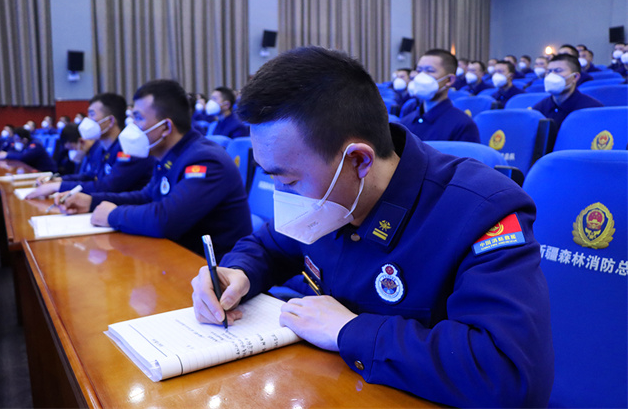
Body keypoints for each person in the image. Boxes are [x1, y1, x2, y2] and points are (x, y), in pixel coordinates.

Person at [190, 46, 554, 407]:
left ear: (359, 160)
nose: (283, 195)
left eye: (289, 181)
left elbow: (508, 373)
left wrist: (349, 331)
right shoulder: (329, 196)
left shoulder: (481, 209)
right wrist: (237, 272)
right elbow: (268, 245)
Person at [57, 80, 253, 259]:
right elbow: (146, 197)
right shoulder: (170, 155)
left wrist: (112, 215)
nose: (132, 126)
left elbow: (166, 220)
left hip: (215, 273)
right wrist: (91, 201)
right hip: (180, 258)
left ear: (165, 127)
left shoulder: (205, 161)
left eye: (138, 118)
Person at [26, 93, 155, 198]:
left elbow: (108, 186)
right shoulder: (101, 147)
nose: (87, 121)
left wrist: (57, 187)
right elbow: (90, 176)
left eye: (92, 115)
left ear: (110, 121)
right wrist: (57, 180)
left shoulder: (130, 148)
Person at [399, 49, 480, 142]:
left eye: (430, 71)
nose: (421, 77)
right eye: (419, 70)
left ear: (449, 80)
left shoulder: (463, 125)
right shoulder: (405, 122)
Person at [533, 54, 603, 130]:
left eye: (558, 71)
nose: (551, 76)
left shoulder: (592, 109)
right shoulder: (538, 110)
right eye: (549, 71)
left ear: (575, 77)